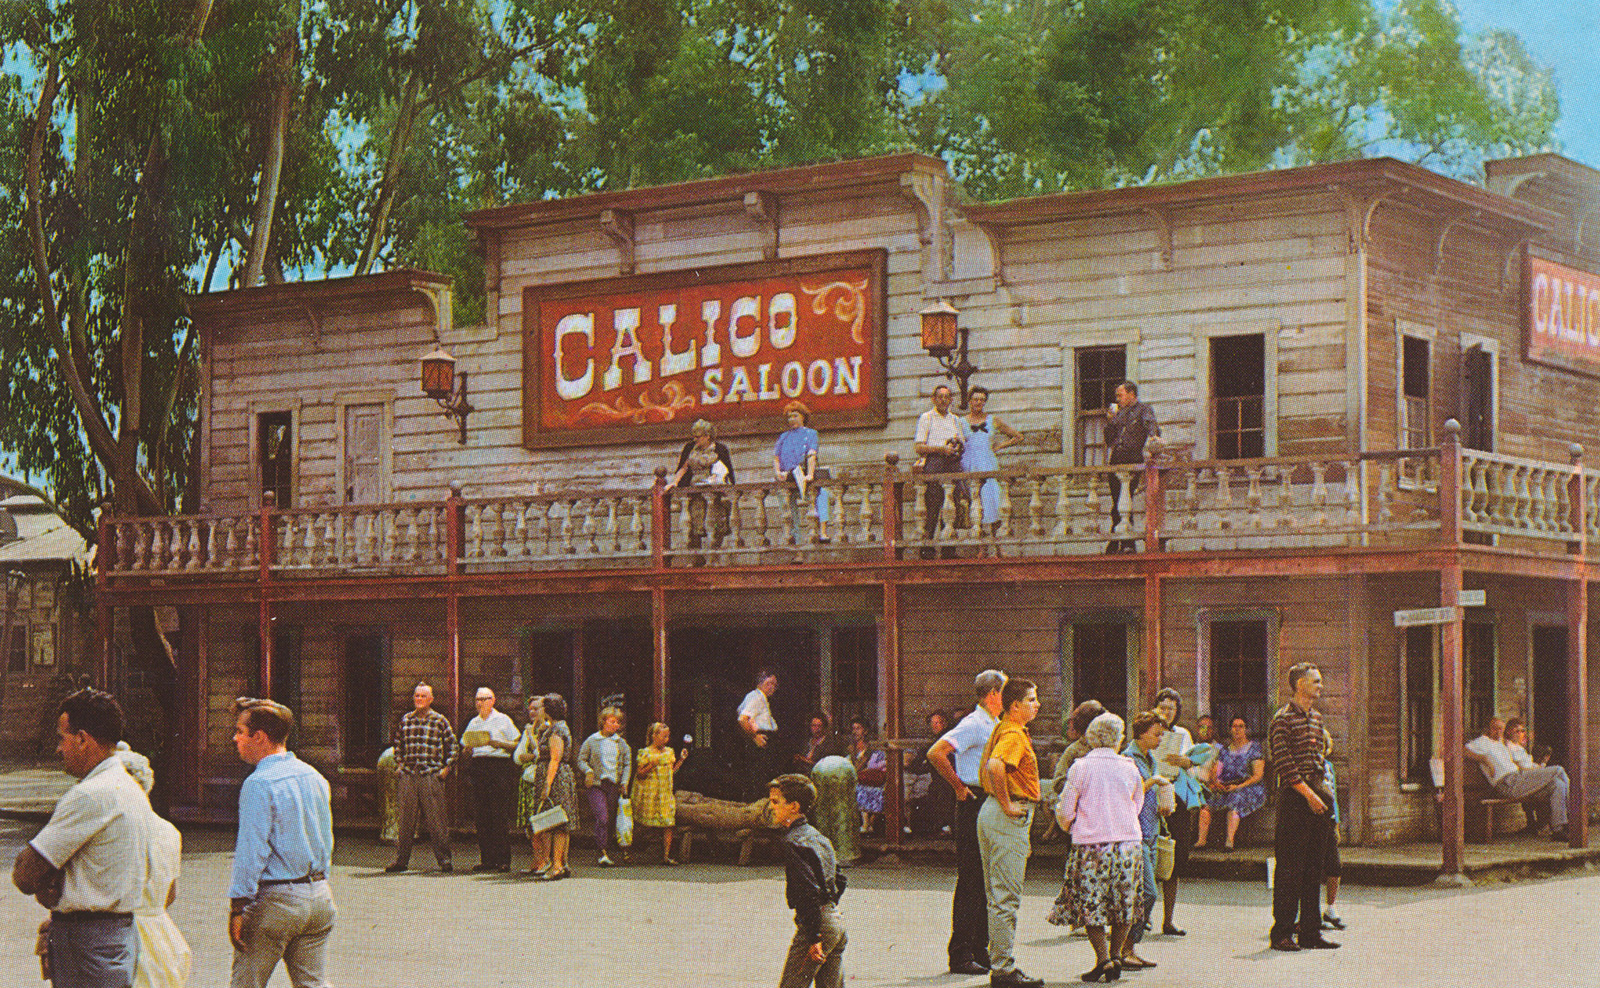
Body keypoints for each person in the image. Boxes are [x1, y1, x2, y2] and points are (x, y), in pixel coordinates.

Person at [12, 688, 156, 988]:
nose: (58, 749)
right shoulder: (129, 789)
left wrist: (50, 879)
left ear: (82, 738)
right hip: (117, 934)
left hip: (86, 942)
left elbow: (26, 874)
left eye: (61, 738)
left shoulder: (91, 795)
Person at [226, 697, 337, 988]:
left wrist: (238, 906)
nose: (234, 738)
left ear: (259, 737)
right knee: (313, 984)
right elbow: (326, 838)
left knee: (246, 983)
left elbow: (252, 851)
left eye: (240, 731)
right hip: (319, 896)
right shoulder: (314, 776)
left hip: (278, 900)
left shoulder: (259, 784)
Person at [1048, 712, 1144, 983]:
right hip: (1127, 845)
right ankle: (1116, 956)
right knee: (1124, 903)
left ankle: (1103, 959)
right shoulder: (1129, 767)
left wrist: (1071, 826)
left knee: (1092, 905)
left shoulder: (1081, 767)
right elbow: (1137, 804)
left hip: (1091, 846)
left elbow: (1066, 810)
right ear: (1117, 738)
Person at [926, 669, 1007, 975]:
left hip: (990, 798)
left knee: (987, 880)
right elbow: (938, 752)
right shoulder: (973, 723)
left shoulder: (996, 724)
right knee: (972, 879)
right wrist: (958, 786)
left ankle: (980, 949)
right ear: (993, 694)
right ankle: (960, 953)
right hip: (973, 799)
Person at [1267, 662, 1340, 951]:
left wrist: (1322, 792)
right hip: (1295, 798)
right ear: (1300, 685)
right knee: (1289, 868)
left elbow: (1318, 758)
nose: (1320, 686)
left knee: (1314, 867)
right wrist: (1308, 795)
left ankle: (1310, 931)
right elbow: (1284, 763)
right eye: (1316, 682)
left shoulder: (1317, 718)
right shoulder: (1282, 719)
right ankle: (1282, 932)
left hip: (1318, 794)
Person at [977, 677, 1043, 988]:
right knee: (1005, 897)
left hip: (991, 811)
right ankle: (1003, 970)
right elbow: (994, 766)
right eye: (1031, 699)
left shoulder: (1002, 726)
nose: (1037, 704)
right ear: (1014, 706)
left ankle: (1000, 963)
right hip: (1007, 813)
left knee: (996, 895)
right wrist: (1007, 803)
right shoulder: (1014, 734)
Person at [769, 773, 848, 988]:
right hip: (835, 921)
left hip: (819, 925)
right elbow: (840, 879)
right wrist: (828, 910)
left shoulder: (793, 842)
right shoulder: (818, 836)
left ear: (794, 806)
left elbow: (807, 891)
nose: (771, 807)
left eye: (776, 802)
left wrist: (814, 935)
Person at [385, 682, 459, 873]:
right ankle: (401, 861)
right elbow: (398, 743)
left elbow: (453, 746)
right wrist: (400, 764)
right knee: (406, 821)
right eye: (416, 696)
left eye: (423, 696)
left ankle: (444, 860)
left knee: (437, 820)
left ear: (431, 699)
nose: (419, 699)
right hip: (409, 775)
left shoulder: (439, 721)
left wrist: (446, 768)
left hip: (430, 775)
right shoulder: (407, 719)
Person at [1464, 716, 1570, 842]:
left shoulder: (1501, 744)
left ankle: (1558, 829)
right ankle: (1574, 816)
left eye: (1501, 729)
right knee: (1558, 770)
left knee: (1557, 785)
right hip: (1506, 783)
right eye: (1495, 729)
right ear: (1488, 729)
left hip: (1517, 780)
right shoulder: (1482, 741)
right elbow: (1463, 750)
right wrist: (1484, 759)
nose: (1498, 732)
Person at [1121, 710, 1172, 969]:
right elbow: (1129, 792)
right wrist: (1153, 781)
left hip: (1151, 829)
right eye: (1156, 734)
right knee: (1147, 893)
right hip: (1135, 832)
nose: (1160, 739)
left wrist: (1164, 807)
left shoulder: (1149, 757)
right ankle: (1125, 946)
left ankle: (1127, 948)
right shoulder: (1128, 759)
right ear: (1141, 734)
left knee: (1145, 893)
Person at [1150, 688, 1198, 936]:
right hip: (1151, 795)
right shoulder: (1146, 729)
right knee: (1148, 856)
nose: (1167, 712)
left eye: (1171, 707)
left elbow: (1192, 768)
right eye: (1162, 706)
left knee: (1175, 859)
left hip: (1176, 797)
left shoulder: (1182, 734)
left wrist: (1185, 762)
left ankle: (1168, 919)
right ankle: (1143, 916)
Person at [461, 686, 520, 872]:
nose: (481, 703)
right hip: (479, 765)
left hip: (498, 765)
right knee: (482, 815)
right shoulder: (474, 722)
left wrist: (499, 743)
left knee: (498, 814)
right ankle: (487, 858)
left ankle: (503, 859)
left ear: (493, 700)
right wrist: (466, 751)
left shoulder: (503, 719)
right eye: (478, 699)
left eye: (485, 699)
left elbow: (517, 744)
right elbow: (465, 745)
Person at [135, 813, 191, 988]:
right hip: (163, 933)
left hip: (124, 931)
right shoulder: (169, 830)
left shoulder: (111, 827)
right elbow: (170, 893)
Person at [959, 385, 1023, 536]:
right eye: (975, 399)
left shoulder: (992, 420)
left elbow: (1018, 437)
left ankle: (996, 547)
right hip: (969, 464)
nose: (978, 403)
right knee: (976, 503)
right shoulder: (961, 422)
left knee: (992, 501)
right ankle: (981, 548)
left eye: (982, 400)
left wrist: (1000, 446)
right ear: (969, 401)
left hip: (988, 463)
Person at [1194, 717, 1265, 851]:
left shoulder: (1254, 748)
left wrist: (1238, 787)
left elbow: (1257, 775)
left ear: (1246, 730)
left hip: (1249, 787)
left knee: (1235, 801)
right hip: (1228, 786)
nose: (1237, 729)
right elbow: (1216, 771)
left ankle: (1229, 842)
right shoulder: (1225, 750)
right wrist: (1217, 782)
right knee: (1206, 804)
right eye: (1234, 726)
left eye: (1241, 726)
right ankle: (1201, 841)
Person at [1104, 381, 1158, 553]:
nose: (1117, 399)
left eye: (1120, 395)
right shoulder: (1118, 414)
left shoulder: (1143, 410)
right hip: (1116, 458)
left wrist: (1154, 438)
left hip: (1132, 456)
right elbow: (1108, 439)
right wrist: (1111, 421)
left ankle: (1125, 541)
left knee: (1125, 496)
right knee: (1116, 499)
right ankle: (1119, 540)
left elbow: (1152, 427)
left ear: (1131, 394)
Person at [578, 705, 634, 866]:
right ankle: (602, 851)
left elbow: (627, 764)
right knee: (602, 817)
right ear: (603, 722)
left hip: (614, 785)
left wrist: (624, 781)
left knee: (612, 818)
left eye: (618, 722)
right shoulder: (592, 740)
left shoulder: (621, 743)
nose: (616, 725)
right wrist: (588, 771)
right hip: (597, 784)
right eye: (613, 721)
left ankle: (611, 848)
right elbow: (581, 759)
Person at [913, 384, 965, 558]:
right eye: (940, 396)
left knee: (952, 503)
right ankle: (927, 547)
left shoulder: (955, 419)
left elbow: (962, 442)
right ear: (933, 399)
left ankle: (948, 546)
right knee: (933, 504)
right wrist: (941, 449)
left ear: (951, 400)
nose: (944, 400)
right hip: (934, 462)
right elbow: (919, 447)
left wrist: (957, 446)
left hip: (952, 462)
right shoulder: (927, 418)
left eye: (947, 397)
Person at [670, 418, 736, 554]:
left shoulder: (719, 449)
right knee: (695, 524)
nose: (695, 440)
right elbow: (683, 467)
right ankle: (696, 557)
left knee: (716, 523)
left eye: (698, 437)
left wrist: (718, 480)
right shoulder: (690, 448)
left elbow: (727, 471)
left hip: (714, 492)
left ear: (708, 436)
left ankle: (715, 555)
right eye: (694, 436)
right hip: (695, 491)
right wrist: (675, 482)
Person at [531, 693, 578, 879]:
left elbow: (555, 759)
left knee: (557, 822)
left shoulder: (557, 730)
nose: (539, 710)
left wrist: (546, 785)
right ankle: (561, 863)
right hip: (556, 776)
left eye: (542, 707)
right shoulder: (553, 728)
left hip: (556, 778)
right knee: (557, 821)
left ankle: (557, 864)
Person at [773, 401, 831, 543]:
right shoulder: (784, 437)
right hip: (787, 478)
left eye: (795, 415)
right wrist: (778, 472)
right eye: (789, 417)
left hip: (803, 475)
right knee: (788, 507)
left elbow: (812, 455)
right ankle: (795, 539)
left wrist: (810, 474)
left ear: (803, 416)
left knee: (822, 494)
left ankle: (823, 532)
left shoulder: (810, 433)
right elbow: (776, 457)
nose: (792, 419)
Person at [632, 722, 688, 864]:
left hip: (665, 792)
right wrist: (652, 765)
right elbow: (640, 774)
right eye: (663, 736)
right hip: (650, 792)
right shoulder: (646, 752)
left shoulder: (669, 752)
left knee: (669, 823)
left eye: (667, 736)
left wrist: (681, 759)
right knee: (644, 824)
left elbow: (672, 771)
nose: (666, 739)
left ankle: (666, 855)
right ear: (654, 736)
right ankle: (629, 849)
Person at [513, 696, 548, 874]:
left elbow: (541, 753)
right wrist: (530, 755)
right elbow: (518, 757)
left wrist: (532, 749)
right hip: (528, 780)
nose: (533, 712)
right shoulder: (529, 729)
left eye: (537, 708)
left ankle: (545, 861)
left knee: (541, 822)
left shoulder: (548, 729)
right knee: (530, 824)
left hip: (541, 780)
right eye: (530, 709)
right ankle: (537, 859)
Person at [739, 670, 780, 800]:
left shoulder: (762, 698)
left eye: (774, 684)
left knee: (763, 777)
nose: (772, 687)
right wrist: (754, 736)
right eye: (769, 683)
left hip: (766, 741)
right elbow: (743, 719)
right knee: (758, 778)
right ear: (760, 684)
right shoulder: (756, 697)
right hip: (759, 741)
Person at [1320, 729, 1345, 932]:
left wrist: (1336, 822)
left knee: (1334, 866)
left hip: (1328, 820)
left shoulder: (1328, 767)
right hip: (1310, 821)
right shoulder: (1307, 766)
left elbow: (1333, 795)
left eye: (1323, 744)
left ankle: (1330, 907)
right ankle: (1304, 913)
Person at [1503, 718, 1547, 833]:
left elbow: (1528, 764)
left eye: (1523, 731)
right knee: (1552, 782)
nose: (1521, 734)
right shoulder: (1509, 747)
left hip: (1527, 776)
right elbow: (1521, 766)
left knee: (1555, 783)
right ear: (1509, 732)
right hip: (1519, 779)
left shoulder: (1518, 747)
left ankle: (1539, 823)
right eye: (1518, 731)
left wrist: (1541, 765)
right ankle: (1541, 823)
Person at [848, 717, 887, 835]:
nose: (855, 731)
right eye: (853, 729)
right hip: (858, 779)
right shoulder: (851, 748)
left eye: (858, 728)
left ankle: (870, 823)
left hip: (872, 778)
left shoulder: (871, 747)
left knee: (878, 791)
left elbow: (875, 764)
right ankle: (866, 824)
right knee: (859, 789)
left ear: (865, 731)